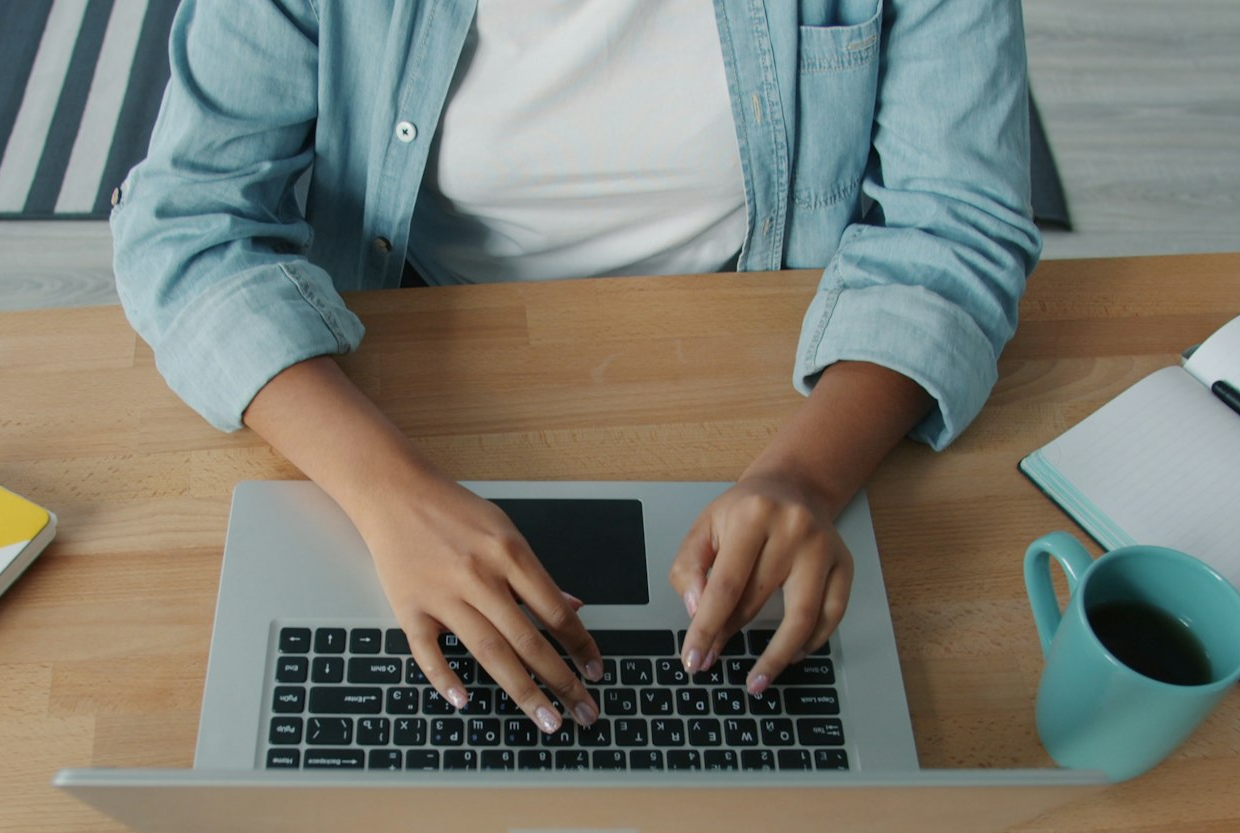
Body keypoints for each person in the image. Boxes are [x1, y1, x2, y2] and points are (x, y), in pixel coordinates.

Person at [110, 0, 1040, 737]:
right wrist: (385, 493)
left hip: (768, 368)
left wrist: (805, 474)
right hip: (407, 364)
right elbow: (189, 219)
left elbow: (959, 225)